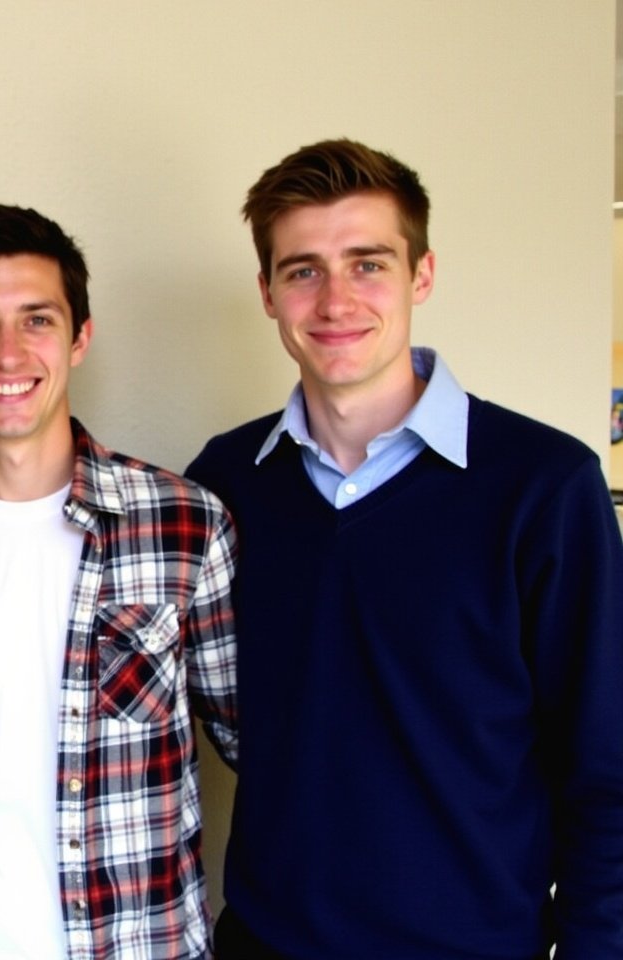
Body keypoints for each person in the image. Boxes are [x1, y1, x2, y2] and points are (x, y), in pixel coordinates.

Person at [185, 138, 623, 959]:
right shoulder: (225, 486)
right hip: (266, 945)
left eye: (368, 263)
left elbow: (607, 767)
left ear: (421, 275)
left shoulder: (545, 486)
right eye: (303, 269)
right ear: (268, 294)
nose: (336, 299)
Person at [0, 205, 238, 959]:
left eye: (37, 319)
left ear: (80, 337)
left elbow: (265, 747)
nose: (6, 352)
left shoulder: (186, 527)